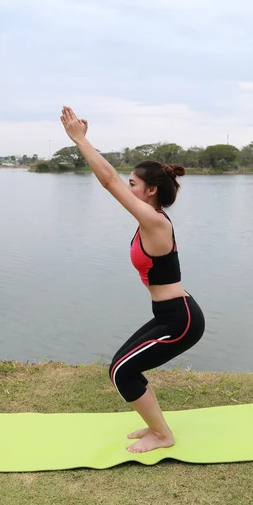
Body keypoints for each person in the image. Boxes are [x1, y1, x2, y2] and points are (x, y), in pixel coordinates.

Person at [60, 106, 205, 454]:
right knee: (121, 366)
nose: (128, 187)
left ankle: (162, 435)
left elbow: (109, 180)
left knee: (122, 371)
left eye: (134, 184)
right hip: (168, 314)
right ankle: (156, 428)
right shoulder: (149, 221)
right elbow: (114, 182)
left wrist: (80, 139)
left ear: (151, 191)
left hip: (181, 319)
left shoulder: (155, 222)